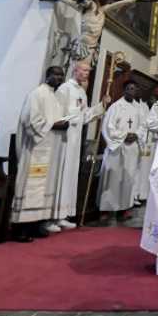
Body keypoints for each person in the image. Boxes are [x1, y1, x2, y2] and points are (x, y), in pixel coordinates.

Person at [10, 66, 67, 242]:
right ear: (47, 76)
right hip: (35, 150)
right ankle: (20, 228)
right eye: (55, 74)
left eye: (61, 75)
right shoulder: (37, 93)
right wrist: (54, 125)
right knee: (31, 187)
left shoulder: (55, 97)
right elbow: (30, 120)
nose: (59, 78)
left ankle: (35, 224)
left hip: (50, 149)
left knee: (44, 188)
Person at [49, 61, 106, 229]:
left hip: (75, 140)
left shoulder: (81, 91)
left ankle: (63, 214)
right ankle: (52, 217)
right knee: (61, 175)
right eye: (84, 69)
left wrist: (101, 105)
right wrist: (75, 118)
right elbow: (57, 115)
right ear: (75, 70)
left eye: (89, 70)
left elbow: (85, 115)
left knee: (70, 176)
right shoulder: (64, 89)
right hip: (63, 139)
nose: (87, 72)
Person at [98, 81, 146, 220]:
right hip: (117, 146)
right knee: (112, 178)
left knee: (128, 179)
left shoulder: (139, 108)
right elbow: (108, 127)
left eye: (134, 88)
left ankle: (124, 208)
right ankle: (106, 210)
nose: (131, 91)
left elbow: (144, 125)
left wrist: (136, 134)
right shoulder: (115, 106)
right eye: (129, 88)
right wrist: (124, 136)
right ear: (124, 90)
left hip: (132, 148)